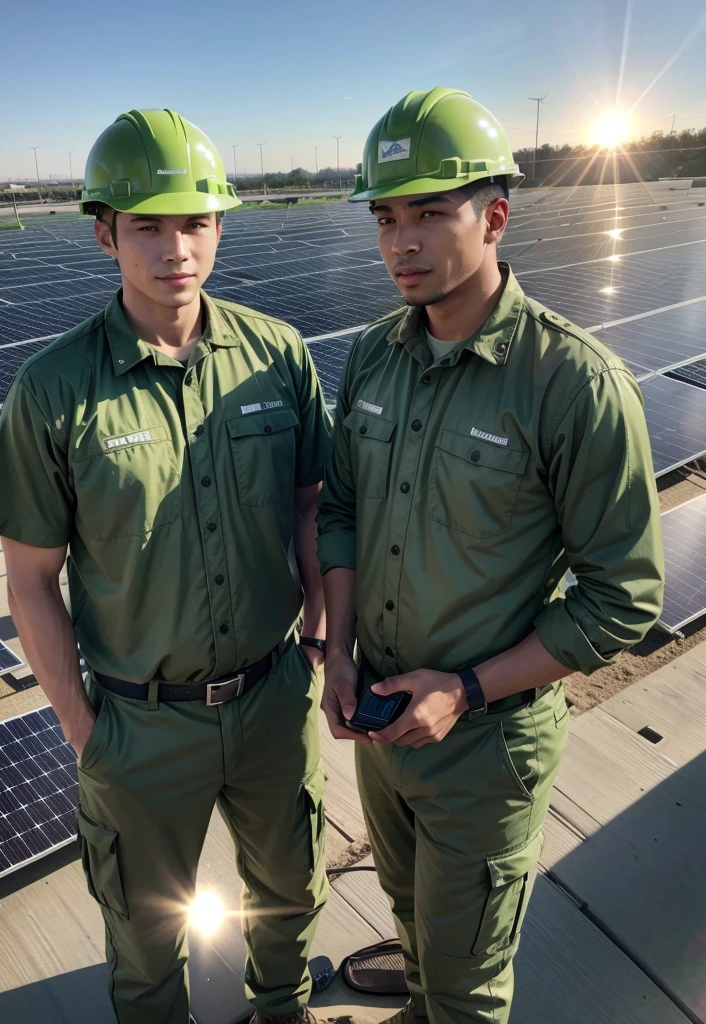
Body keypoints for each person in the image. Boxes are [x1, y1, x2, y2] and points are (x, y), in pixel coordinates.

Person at [0, 108, 334, 1024]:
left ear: (220, 224)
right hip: (140, 725)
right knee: (143, 947)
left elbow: (307, 505)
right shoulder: (54, 389)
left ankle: (282, 1008)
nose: (176, 247)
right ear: (106, 232)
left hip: (271, 701)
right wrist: (88, 735)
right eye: (148, 225)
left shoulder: (276, 355)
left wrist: (322, 632)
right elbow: (29, 581)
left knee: (290, 897)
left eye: (195, 221)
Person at [317, 88, 664, 1024]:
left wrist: (464, 689)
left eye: (431, 211)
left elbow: (621, 600)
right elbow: (342, 510)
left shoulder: (573, 385)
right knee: (415, 928)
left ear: (495, 215)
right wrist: (340, 651)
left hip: (483, 749)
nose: (403, 242)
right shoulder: (373, 359)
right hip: (380, 729)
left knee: (468, 988)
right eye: (388, 216)